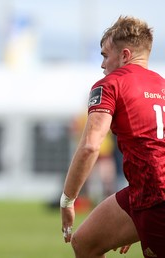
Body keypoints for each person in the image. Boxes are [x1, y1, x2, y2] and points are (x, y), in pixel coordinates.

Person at [60, 16, 165, 257]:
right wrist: (135, 220)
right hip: (143, 191)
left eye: (105, 56)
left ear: (125, 55)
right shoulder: (162, 85)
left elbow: (89, 146)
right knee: (85, 242)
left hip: (155, 195)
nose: (102, 65)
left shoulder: (110, 84)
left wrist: (68, 200)